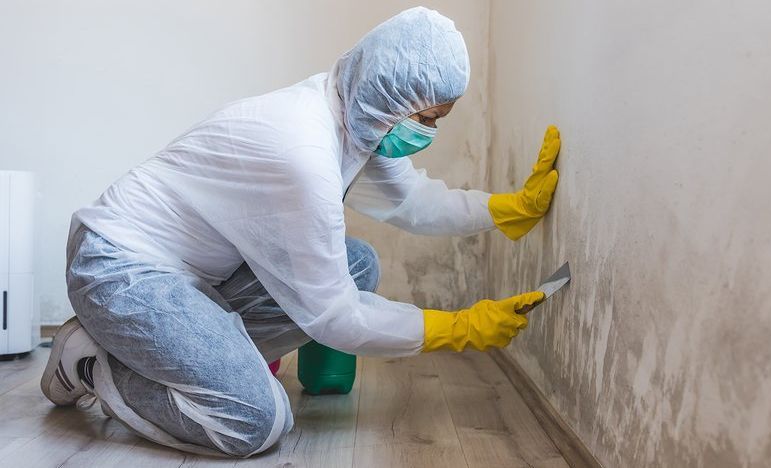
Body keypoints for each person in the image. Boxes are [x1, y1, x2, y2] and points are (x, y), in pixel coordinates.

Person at [40, 7, 560, 457]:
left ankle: (192, 356)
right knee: (255, 421)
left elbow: (411, 201)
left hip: (189, 274)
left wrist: (507, 210)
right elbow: (335, 316)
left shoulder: (356, 114)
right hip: (119, 269)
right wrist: (459, 328)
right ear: (389, 92)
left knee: (358, 266)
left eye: (437, 119)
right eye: (425, 117)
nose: (427, 132)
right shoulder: (302, 151)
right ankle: (91, 363)